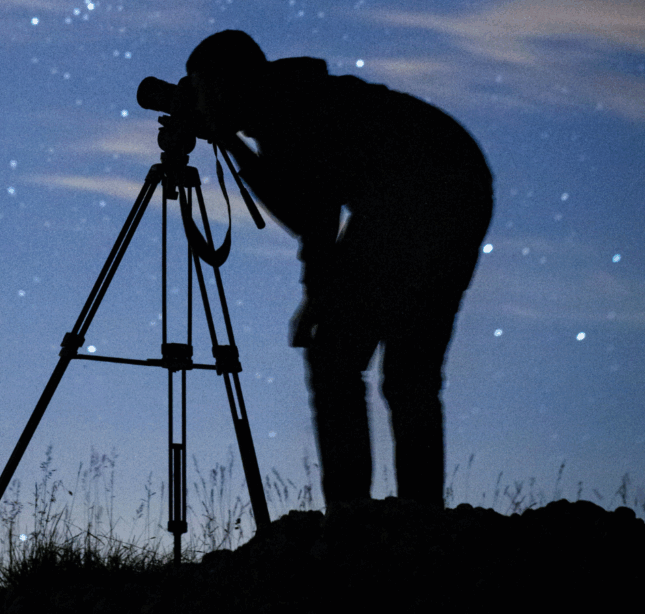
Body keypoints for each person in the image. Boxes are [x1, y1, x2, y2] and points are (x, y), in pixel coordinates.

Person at [184, 30, 493, 508]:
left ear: (227, 85)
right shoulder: (287, 100)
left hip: (423, 194)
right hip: (453, 188)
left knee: (342, 358)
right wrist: (231, 141)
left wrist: (319, 296)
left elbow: (314, 215)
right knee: (407, 372)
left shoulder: (289, 108)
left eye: (202, 90)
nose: (199, 103)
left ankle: (353, 516)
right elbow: (309, 209)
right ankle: (417, 517)